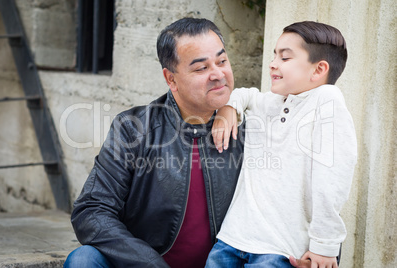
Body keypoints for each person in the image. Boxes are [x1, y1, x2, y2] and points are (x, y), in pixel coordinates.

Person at [63, 18, 245, 268]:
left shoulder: (245, 129)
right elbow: (91, 211)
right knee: (83, 260)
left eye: (222, 61)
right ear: (171, 80)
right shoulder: (134, 128)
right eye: (201, 68)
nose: (218, 74)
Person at [206, 21, 357, 268]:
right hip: (231, 239)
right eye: (274, 55)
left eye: (285, 58)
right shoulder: (271, 102)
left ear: (318, 70)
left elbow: (333, 180)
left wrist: (324, 247)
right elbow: (246, 94)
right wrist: (228, 107)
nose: (273, 63)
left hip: (280, 251)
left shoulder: (326, 102)